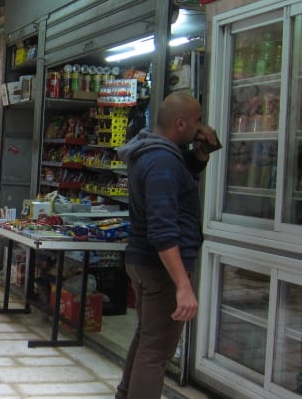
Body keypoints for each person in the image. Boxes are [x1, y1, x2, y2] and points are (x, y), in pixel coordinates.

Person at [114, 91, 220, 399]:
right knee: (156, 351)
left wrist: (200, 156)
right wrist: (183, 285)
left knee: (147, 339)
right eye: (197, 120)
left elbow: (180, 176)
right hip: (162, 266)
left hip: (144, 260)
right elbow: (163, 230)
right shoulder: (162, 162)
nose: (201, 127)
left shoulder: (154, 151)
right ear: (180, 124)